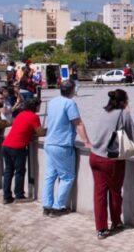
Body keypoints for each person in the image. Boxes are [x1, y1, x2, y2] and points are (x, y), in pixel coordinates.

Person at [89, 89, 134, 240]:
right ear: (124, 101)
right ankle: (116, 222)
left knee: (99, 194)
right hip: (110, 160)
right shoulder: (124, 114)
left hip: (95, 156)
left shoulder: (105, 112)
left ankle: (101, 229)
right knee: (115, 192)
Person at [43, 80, 92, 216]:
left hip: (49, 143)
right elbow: (78, 123)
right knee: (67, 177)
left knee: (50, 176)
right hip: (61, 144)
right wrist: (87, 142)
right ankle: (58, 207)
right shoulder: (69, 103)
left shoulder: (53, 102)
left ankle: (47, 205)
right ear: (72, 90)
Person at [2, 97, 45, 204]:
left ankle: (6, 196)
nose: (40, 107)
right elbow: (40, 133)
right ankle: (19, 195)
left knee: (8, 171)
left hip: (6, 145)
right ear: (35, 106)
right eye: (39, 105)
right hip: (17, 146)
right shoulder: (33, 116)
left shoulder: (21, 114)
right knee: (20, 171)